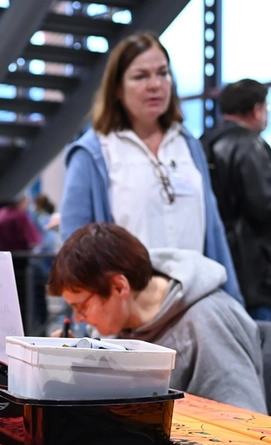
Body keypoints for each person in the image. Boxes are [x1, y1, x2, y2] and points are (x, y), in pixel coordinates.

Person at [60, 32, 242, 304]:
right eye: (140, 76)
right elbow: (75, 248)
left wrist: (232, 302)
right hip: (127, 312)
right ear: (117, 89)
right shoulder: (94, 153)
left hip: (194, 303)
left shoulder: (188, 144)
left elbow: (213, 232)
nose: (155, 85)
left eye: (163, 73)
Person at [48, 223, 266, 412]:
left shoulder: (209, 322)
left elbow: (244, 423)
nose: (79, 318)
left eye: (82, 306)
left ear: (119, 286)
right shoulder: (120, 324)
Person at [201, 79, 271, 321]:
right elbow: (267, 204)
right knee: (264, 344)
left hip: (219, 260)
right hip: (258, 268)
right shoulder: (249, 146)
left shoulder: (203, 142)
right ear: (257, 109)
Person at [0, 192, 45, 334]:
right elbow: (34, 240)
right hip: (22, 268)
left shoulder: (0, 214)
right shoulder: (19, 217)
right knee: (28, 305)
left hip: (4, 268)